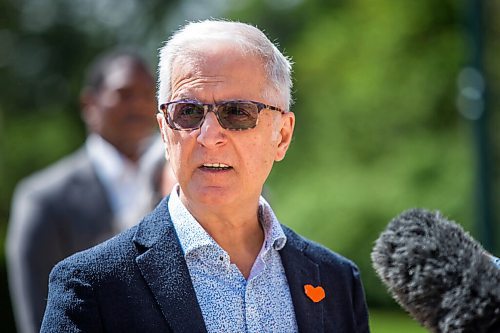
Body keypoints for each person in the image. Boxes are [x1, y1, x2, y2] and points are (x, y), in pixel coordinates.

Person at [40, 20, 370, 332]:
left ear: (282, 135)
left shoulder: (337, 281)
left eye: (238, 112)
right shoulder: (92, 286)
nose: (209, 135)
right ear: (165, 134)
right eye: (188, 112)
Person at [6, 49, 176, 333]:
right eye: (124, 94)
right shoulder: (43, 199)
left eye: (149, 94)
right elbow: (37, 319)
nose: (139, 105)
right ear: (89, 104)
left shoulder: (176, 185)